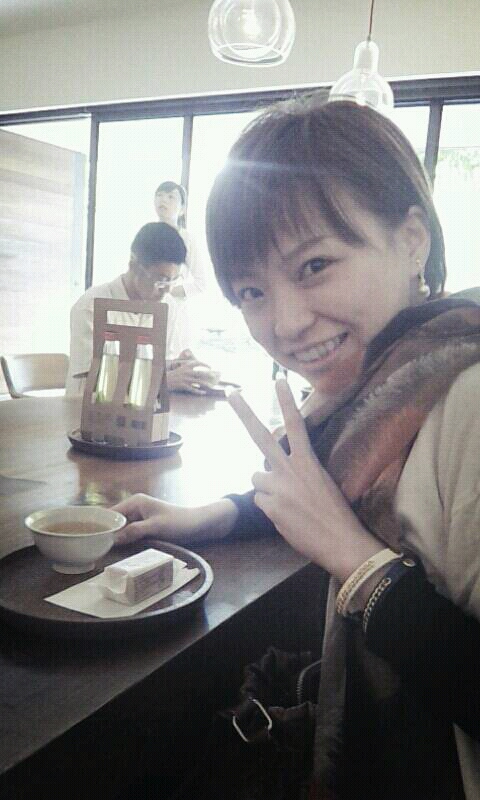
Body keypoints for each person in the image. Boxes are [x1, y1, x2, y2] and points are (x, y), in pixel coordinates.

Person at [113, 98, 480, 799]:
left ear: (412, 240)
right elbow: (330, 483)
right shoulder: (385, 388)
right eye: (252, 291)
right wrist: (219, 515)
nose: (283, 324)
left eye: (314, 265)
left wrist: (360, 562)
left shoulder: (466, 403)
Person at [65, 222, 213, 397]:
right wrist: (162, 381)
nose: (166, 290)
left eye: (173, 281)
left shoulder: (167, 305)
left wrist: (175, 366)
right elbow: (92, 379)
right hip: (89, 410)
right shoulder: (91, 306)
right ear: (133, 266)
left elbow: (152, 365)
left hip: (145, 410)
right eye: (161, 280)